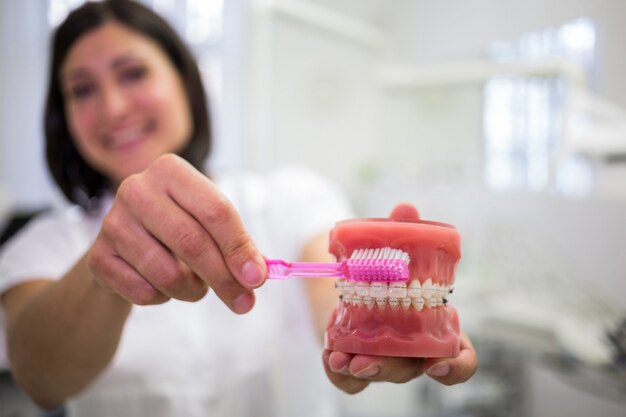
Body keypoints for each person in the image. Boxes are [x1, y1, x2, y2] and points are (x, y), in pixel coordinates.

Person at [0, 1, 477, 416]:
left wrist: (377, 332)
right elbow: (39, 379)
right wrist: (103, 271)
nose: (113, 107)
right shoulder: (39, 246)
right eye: (82, 89)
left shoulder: (292, 197)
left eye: (133, 73)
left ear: (185, 81)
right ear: (61, 115)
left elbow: (335, 292)